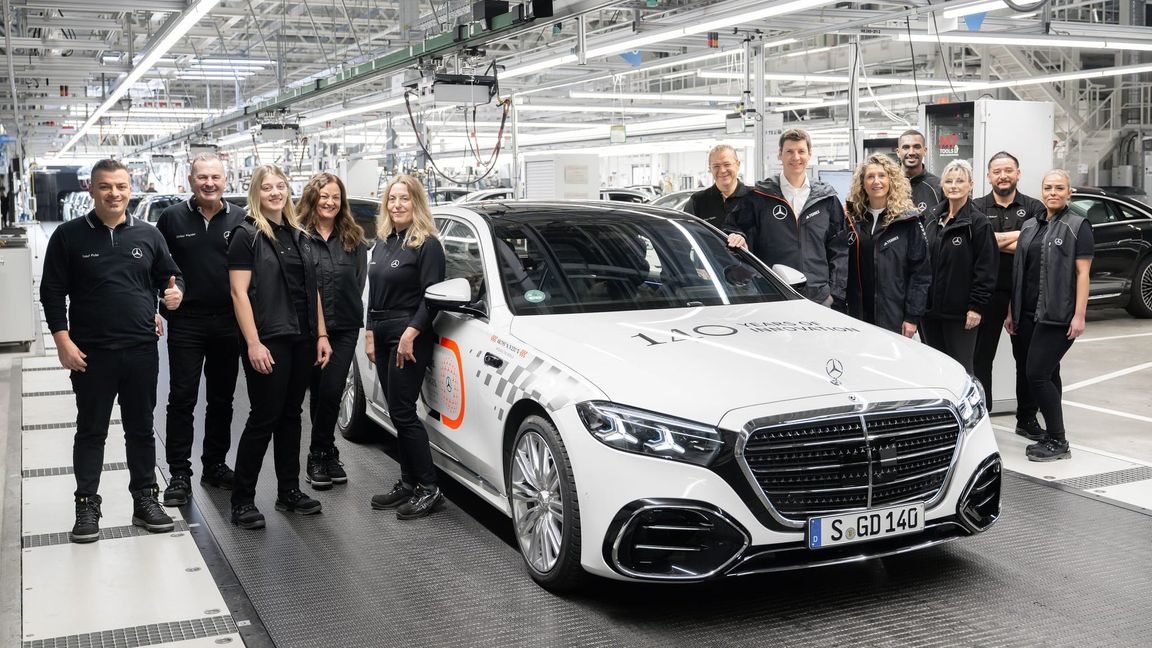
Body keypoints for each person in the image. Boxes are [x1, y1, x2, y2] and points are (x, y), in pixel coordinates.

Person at [40, 158, 183, 543]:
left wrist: (173, 295)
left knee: (141, 430)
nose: (114, 193)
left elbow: (170, 275)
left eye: (121, 186)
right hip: (91, 353)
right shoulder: (69, 236)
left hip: (140, 350)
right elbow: (51, 291)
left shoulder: (149, 235)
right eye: (106, 186)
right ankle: (86, 505)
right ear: (92, 189)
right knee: (91, 431)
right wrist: (62, 341)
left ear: (130, 189)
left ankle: (145, 500)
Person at [227, 164, 332, 529]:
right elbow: (239, 293)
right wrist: (253, 343)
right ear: (256, 192)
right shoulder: (247, 234)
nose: (275, 192)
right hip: (268, 338)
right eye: (267, 187)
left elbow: (312, 289)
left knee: (291, 416)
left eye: (280, 186)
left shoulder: (298, 234)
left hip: (301, 338)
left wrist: (321, 335)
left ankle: (288, 491)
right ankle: (241, 500)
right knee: (263, 417)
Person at [155, 153, 245, 507]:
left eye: (216, 177)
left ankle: (215, 465)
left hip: (228, 322)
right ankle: (179, 472)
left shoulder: (240, 218)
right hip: (187, 323)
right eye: (202, 177)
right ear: (191, 181)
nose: (209, 183)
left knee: (222, 400)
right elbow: (156, 267)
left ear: (225, 181)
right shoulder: (171, 218)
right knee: (182, 398)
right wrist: (162, 299)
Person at [366, 175, 447, 520]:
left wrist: (412, 332)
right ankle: (408, 481)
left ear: (416, 202)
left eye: (404, 199)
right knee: (395, 410)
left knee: (402, 411)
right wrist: (369, 331)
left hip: (407, 333)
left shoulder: (426, 244)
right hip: (383, 330)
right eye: (392, 199)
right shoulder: (384, 241)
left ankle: (429, 489)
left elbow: (433, 297)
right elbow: (373, 293)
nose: (397, 205)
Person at [1008, 169, 1093, 462]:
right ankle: (1052, 433)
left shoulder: (1077, 225)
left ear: (1069, 193)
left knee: (1037, 374)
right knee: (1050, 373)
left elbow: (1083, 274)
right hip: (1027, 314)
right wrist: (1011, 311)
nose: (1053, 192)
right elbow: (1020, 271)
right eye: (1048, 187)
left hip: (1057, 315)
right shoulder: (1031, 225)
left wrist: (1079, 315)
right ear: (1042, 192)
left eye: (1059, 188)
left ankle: (1058, 441)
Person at [298, 173, 367, 490]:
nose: (329, 202)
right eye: (324, 196)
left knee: (331, 390)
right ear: (313, 198)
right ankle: (328, 452)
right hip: (308, 329)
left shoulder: (354, 238)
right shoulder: (299, 237)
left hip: (344, 327)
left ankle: (317, 453)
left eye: (335, 197)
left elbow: (359, 281)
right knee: (317, 391)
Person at [971, 152, 1047, 439]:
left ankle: (1026, 419)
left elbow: (1036, 247)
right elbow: (979, 246)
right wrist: (1021, 237)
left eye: (1008, 170)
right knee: (981, 359)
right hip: (986, 293)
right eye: (997, 171)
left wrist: (997, 240)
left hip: (1024, 295)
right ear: (989, 176)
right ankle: (982, 418)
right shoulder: (975, 207)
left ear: (1018, 173)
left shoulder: (1034, 206)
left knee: (1026, 359)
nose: (1003, 176)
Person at [725, 128, 848, 306]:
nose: (795, 157)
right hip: (772, 293)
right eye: (789, 151)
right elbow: (733, 228)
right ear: (780, 155)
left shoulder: (826, 199)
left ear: (810, 155)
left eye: (801, 151)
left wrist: (834, 294)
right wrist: (739, 236)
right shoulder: (760, 196)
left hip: (818, 297)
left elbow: (840, 249)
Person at [921, 159, 998, 374]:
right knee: (935, 368)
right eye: (949, 181)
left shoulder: (978, 223)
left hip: (961, 314)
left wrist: (976, 307)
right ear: (942, 186)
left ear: (970, 185)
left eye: (960, 181)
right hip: (930, 312)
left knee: (961, 370)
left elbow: (986, 269)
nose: (954, 185)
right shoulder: (932, 217)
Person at [842, 153, 931, 336]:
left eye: (882, 176)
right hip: (858, 315)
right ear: (862, 183)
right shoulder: (852, 220)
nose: (876, 181)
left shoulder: (908, 221)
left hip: (894, 316)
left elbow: (920, 274)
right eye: (870, 176)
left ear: (892, 180)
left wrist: (912, 317)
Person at [683, 144, 748, 228]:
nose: (722, 170)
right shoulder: (697, 201)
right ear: (710, 169)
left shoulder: (755, 198)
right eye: (716, 166)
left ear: (738, 165)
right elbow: (688, 234)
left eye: (727, 164)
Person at [897, 130, 942, 215]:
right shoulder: (887, 185)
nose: (911, 152)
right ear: (898, 152)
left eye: (916, 147)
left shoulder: (939, 187)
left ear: (925, 151)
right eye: (906, 147)